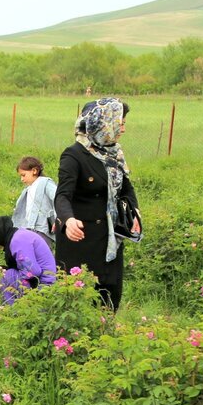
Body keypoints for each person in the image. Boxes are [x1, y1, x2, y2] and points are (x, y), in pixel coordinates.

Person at [54, 98, 140, 311]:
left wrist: (134, 211)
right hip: (80, 239)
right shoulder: (74, 155)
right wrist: (68, 219)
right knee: (79, 301)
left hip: (109, 239)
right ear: (102, 122)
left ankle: (105, 338)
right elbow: (62, 195)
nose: (123, 129)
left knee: (109, 296)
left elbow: (126, 188)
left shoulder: (114, 154)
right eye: (120, 122)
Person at [0, 216, 57, 305]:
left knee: (8, 275)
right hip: (43, 281)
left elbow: (32, 271)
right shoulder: (18, 235)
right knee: (6, 273)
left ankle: (13, 311)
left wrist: (7, 273)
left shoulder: (17, 240)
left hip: (45, 285)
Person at [11, 156, 57, 244]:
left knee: (41, 253)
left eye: (23, 175)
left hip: (43, 228)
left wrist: (58, 218)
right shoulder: (28, 190)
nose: (22, 179)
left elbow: (58, 198)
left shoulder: (45, 183)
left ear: (34, 171)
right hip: (30, 228)